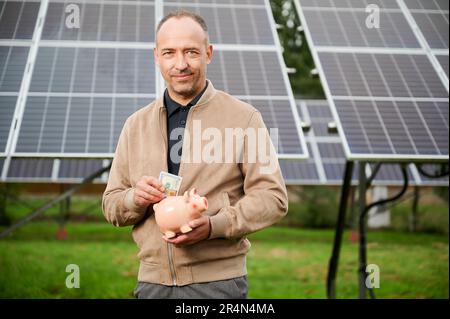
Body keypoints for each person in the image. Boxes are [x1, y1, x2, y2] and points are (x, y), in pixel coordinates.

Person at [102, 10, 288, 299]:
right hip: (151, 284)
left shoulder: (245, 118)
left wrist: (215, 225)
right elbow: (111, 204)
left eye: (191, 52)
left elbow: (273, 198)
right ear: (156, 56)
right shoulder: (135, 125)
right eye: (169, 53)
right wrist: (133, 198)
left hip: (217, 285)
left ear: (208, 53)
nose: (181, 64)